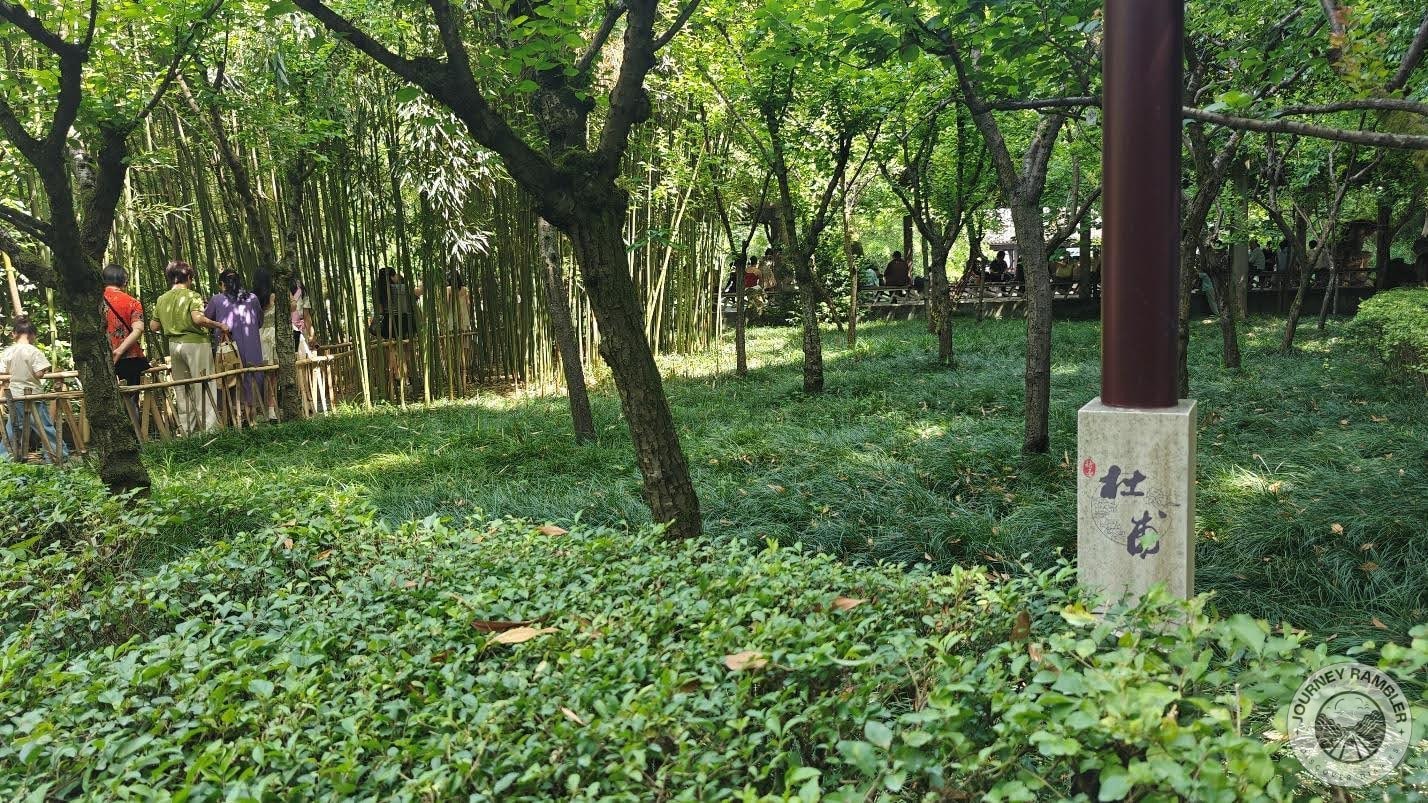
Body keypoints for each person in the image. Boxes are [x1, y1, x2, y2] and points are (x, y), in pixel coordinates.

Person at [151, 260, 229, 435]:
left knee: (182, 388)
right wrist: (219, 325)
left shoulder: (162, 299)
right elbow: (198, 319)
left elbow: (153, 326)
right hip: (195, 344)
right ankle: (210, 430)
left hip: (174, 346)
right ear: (188, 277)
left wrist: (170, 322)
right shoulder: (192, 296)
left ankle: (187, 430)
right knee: (203, 384)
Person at [0, 317, 67, 462]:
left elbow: (2, 372)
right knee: (44, 427)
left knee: (13, 429)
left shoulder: (8, 352)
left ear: (13, 334)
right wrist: (44, 371)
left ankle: (5, 458)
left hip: (15, 396)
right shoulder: (34, 352)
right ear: (33, 335)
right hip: (33, 395)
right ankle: (56, 454)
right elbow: (38, 373)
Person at [204, 269, 264, 411]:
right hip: (252, 348)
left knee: (232, 378)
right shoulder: (252, 298)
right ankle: (254, 411)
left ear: (222, 284)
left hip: (229, 350)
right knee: (253, 374)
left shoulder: (217, 299)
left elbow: (206, 320)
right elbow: (259, 322)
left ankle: (235, 413)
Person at [101, 263, 149, 389]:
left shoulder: (93, 301)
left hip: (101, 357)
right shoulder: (132, 302)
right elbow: (138, 330)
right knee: (131, 401)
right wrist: (120, 350)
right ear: (124, 281)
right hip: (129, 358)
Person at [290, 278, 317, 356]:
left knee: (302, 354)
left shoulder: (300, 288)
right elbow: (306, 315)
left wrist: (311, 334)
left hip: (299, 328)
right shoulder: (278, 286)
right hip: (293, 328)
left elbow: (306, 315)